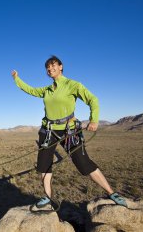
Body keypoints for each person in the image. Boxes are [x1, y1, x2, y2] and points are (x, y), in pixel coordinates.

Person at [12, 55, 127, 208]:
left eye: (53, 65)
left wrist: (94, 120)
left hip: (69, 131)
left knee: (83, 162)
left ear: (61, 67)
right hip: (48, 131)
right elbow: (30, 90)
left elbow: (93, 100)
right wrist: (16, 79)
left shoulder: (72, 85)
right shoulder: (47, 90)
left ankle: (111, 192)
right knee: (44, 164)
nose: (50, 69)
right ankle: (48, 197)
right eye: (47, 67)